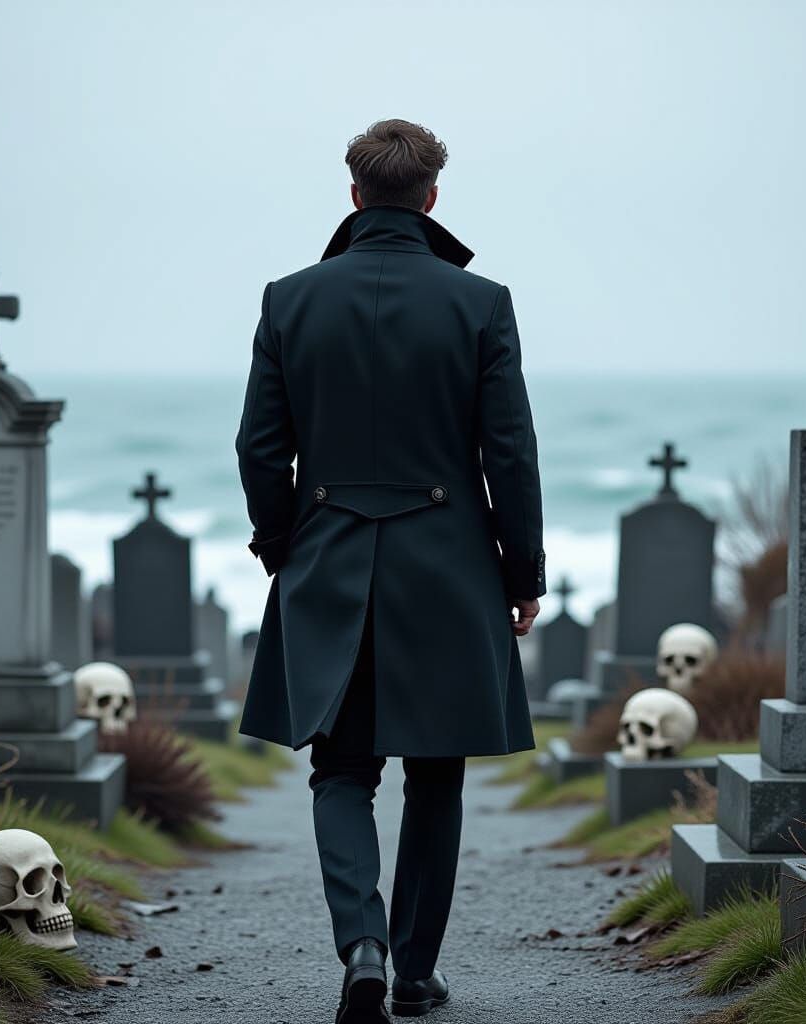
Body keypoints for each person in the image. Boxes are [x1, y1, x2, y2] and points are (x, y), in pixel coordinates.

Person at [236, 118, 546, 1023]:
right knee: (436, 773)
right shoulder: (480, 302)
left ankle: (360, 944)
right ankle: (412, 972)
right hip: (448, 570)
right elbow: (510, 454)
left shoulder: (288, 299)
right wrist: (521, 572)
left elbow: (260, 449)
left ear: (355, 194)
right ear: (432, 199)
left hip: (326, 560)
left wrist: (281, 550)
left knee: (340, 768)